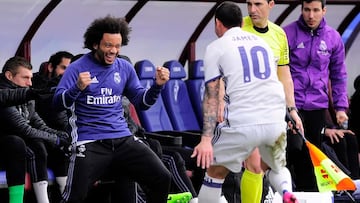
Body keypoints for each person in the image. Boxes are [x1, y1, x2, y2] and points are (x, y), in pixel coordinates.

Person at [52, 15, 172, 203]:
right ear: (95, 44)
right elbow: (57, 103)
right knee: (74, 198)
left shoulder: (124, 67)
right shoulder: (77, 68)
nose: (113, 51)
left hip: (122, 139)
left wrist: (157, 86)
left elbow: (142, 102)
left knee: (162, 178)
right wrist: (76, 88)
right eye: (108, 45)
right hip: (90, 140)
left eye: (117, 46)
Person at [190, 1, 298, 203]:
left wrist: (206, 140)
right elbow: (279, 79)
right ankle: (286, 192)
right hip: (274, 118)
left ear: (217, 23)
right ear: (241, 22)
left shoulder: (216, 47)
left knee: (214, 174)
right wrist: (290, 110)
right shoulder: (263, 44)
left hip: (242, 120)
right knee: (274, 166)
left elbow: (212, 95)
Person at [283, 0, 349, 191]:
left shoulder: (333, 38)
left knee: (311, 156)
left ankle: (310, 195)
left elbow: (339, 75)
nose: (310, 15)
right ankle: (284, 193)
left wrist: (340, 108)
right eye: (306, 10)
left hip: (316, 108)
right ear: (301, 10)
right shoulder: (287, 34)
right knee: (289, 151)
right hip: (290, 105)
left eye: (315, 10)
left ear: (323, 11)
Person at [0, 56, 71, 203]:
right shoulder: (3, 94)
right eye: (25, 77)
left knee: (41, 144)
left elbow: (38, 124)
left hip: (20, 148)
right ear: (9, 76)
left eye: (31, 78)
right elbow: (23, 129)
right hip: (7, 149)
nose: (30, 83)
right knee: (17, 142)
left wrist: (62, 136)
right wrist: (56, 139)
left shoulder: (27, 93)